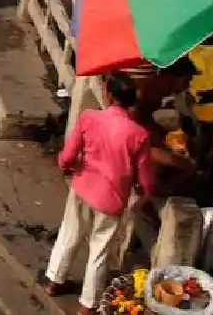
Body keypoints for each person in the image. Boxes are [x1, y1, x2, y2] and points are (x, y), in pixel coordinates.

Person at [41, 72, 154, 314]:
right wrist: (143, 195)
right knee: (100, 249)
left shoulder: (89, 118)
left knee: (70, 233)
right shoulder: (139, 134)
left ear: (109, 94)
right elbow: (146, 180)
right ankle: (88, 304)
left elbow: (68, 156)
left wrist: (65, 166)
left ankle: (54, 280)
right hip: (112, 199)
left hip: (83, 187)